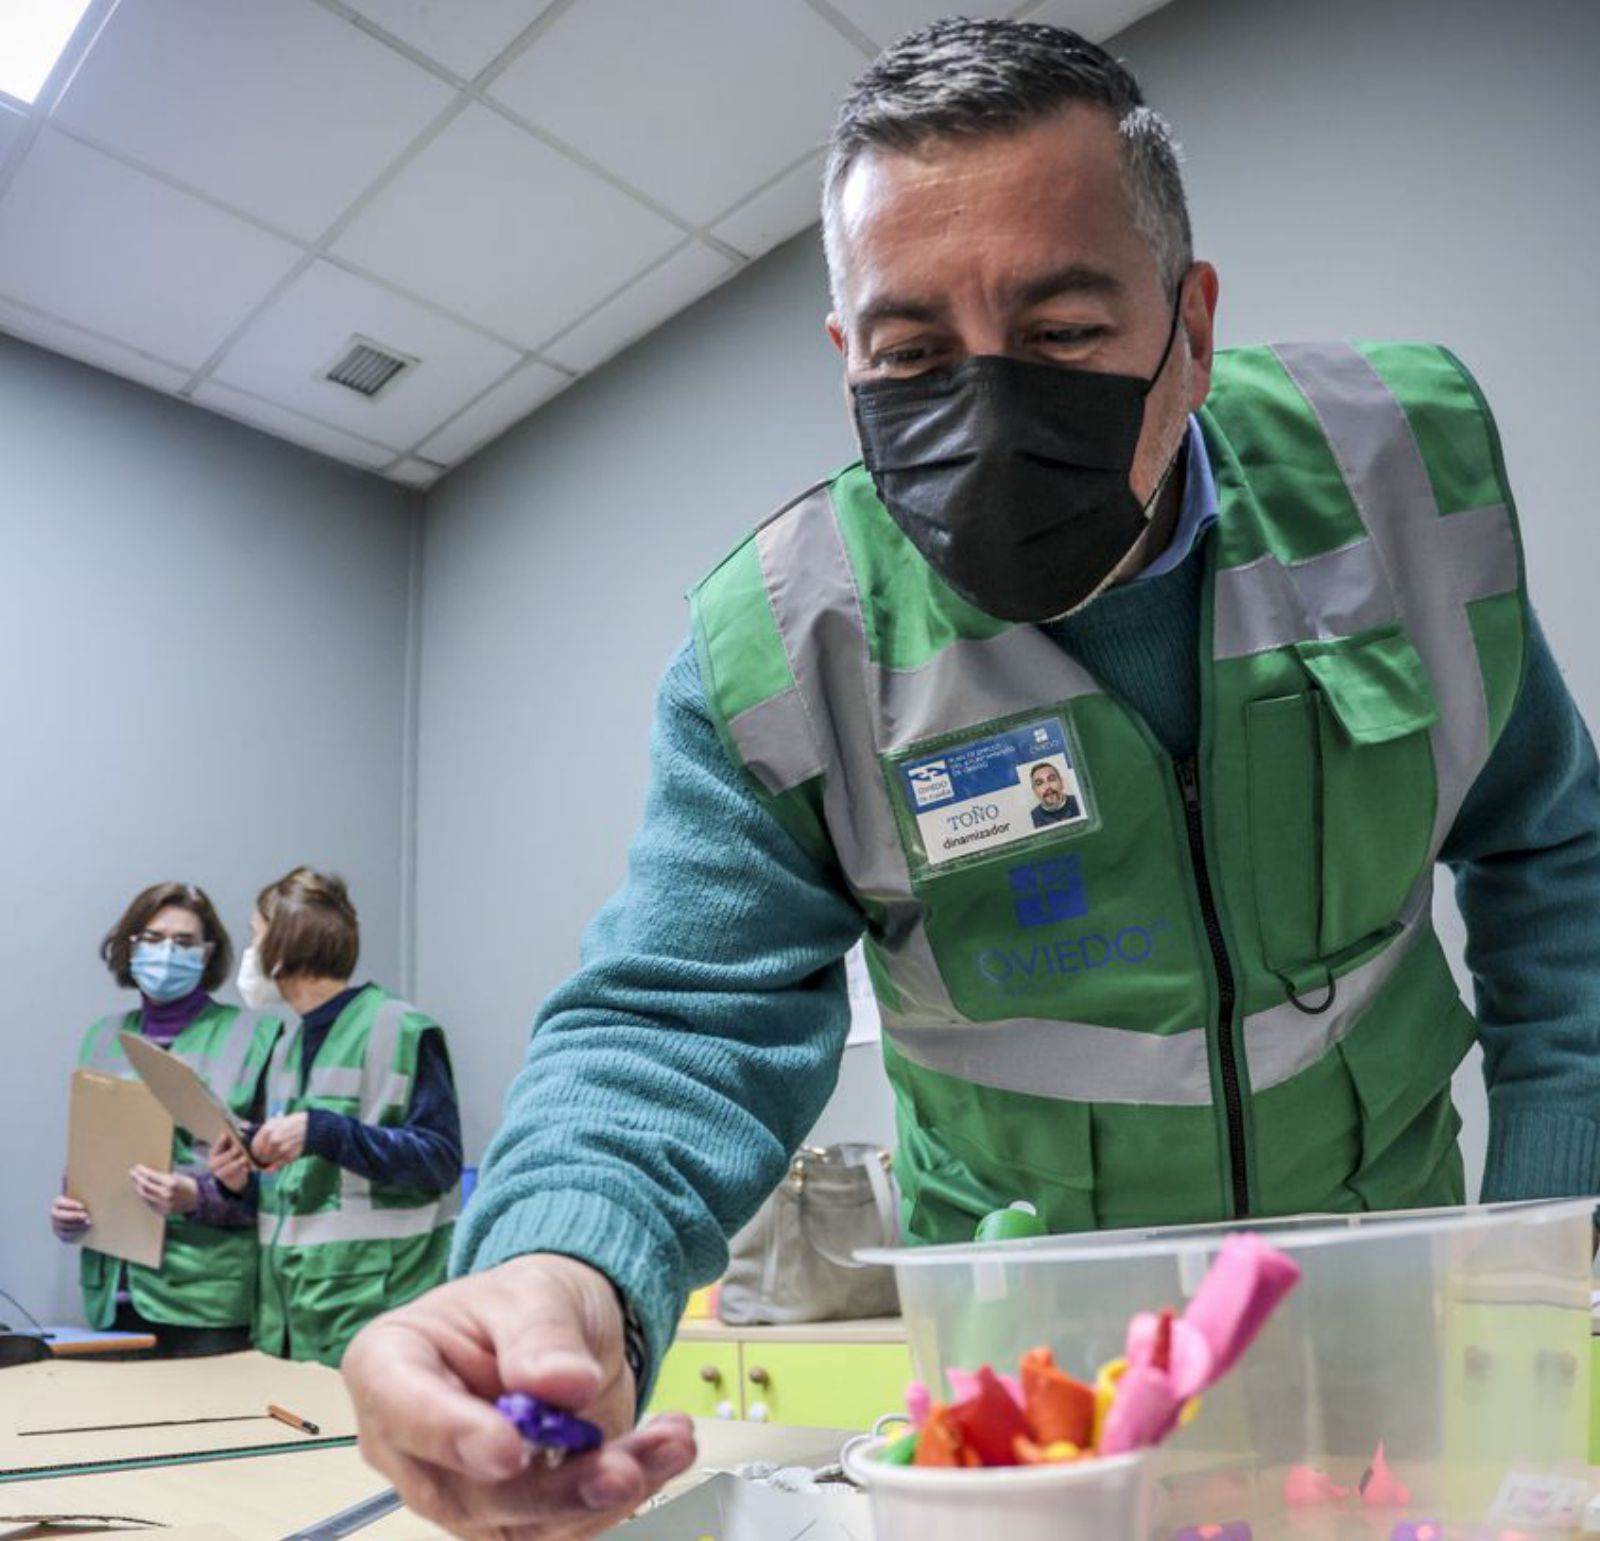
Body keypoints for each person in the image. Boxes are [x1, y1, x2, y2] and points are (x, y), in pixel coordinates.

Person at [341, 19, 1600, 1533]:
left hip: (1381, 1306)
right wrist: (556, 1269)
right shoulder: (783, 646)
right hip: (1030, 1371)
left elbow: (1558, 858)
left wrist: (1546, 1238)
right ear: (845, 363)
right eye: (913, 354)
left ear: (1190, 327)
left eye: (1063, 334)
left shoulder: (1399, 477)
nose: (987, 411)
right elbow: (678, 1016)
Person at [210, 866, 462, 1369]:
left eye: (255, 937)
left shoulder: (402, 1029)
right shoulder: (287, 1045)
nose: (251, 955)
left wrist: (326, 1131)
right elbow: (302, 1191)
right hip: (294, 1315)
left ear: (285, 944)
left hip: (376, 1310)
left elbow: (439, 1161)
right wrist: (240, 1180)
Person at [51, 881, 281, 1357]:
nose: (166, 953)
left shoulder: (253, 1037)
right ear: (129, 947)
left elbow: (279, 1185)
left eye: (184, 942)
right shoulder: (103, 1037)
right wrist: (71, 1212)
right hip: (116, 1298)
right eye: (153, 940)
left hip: (207, 1299)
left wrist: (197, 1196)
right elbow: (90, 1156)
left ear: (208, 953)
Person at [1028, 761, 1082, 826]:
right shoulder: (1032, 817)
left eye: (1051, 779)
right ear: (1034, 790)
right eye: (1040, 783)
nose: (1047, 786)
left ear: (1061, 782)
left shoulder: (1080, 802)